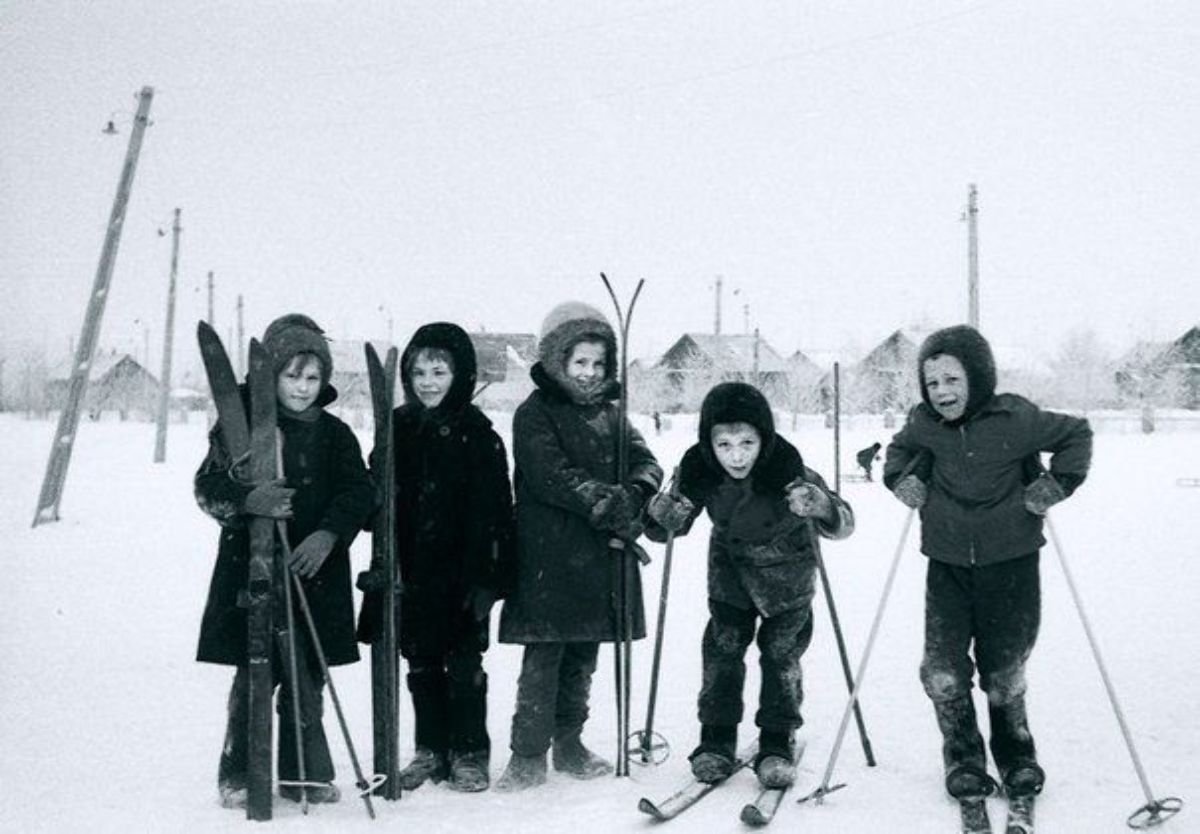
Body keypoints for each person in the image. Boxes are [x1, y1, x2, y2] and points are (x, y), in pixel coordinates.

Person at [883, 325, 1092, 803]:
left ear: (978, 377)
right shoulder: (924, 424)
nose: (942, 393)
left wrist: (1055, 485)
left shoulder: (1015, 417)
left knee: (1003, 670)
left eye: (953, 380)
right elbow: (897, 452)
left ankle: (1017, 757)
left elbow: (1076, 434)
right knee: (943, 671)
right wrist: (901, 480)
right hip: (947, 565)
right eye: (932, 383)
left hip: (1012, 565)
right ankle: (963, 758)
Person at [194, 313, 376, 809]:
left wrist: (327, 534)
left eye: (312, 377)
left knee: (306, 675)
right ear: (270, 377)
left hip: (313, 575)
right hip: (251, 571)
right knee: (253, 675)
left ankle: (303, 773)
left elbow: (360, 491)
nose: (302, 387)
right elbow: (207, 488)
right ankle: (239, 771)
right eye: (291, 375)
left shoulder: (336, 435)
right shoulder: (241, 431)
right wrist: (247, 500)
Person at [644, 381, 854, 789]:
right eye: (724, 444)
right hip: (731, 576)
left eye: (746, 442)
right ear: (709, 443)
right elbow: (666, 528)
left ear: (764, 439)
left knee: (780, 657)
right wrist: (662, 514)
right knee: (722, 651)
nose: (736, 455)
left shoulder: (790, 470)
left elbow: (844, 521)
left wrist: (821, 505)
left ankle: (776, 741)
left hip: (787, 581)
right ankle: (716, 741)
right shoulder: (700, 471)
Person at [495, 300, 663, 792]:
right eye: (579, 363)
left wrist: (635, 491)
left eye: (598, 364)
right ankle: (527, 753)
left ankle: (570, 741)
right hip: (548, 556)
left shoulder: (613, 415)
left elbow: (645, 460)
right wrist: (600, 498)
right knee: (545, 657)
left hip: (598, 557)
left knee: (583, 655)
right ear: (557, 362)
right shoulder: (535, 414)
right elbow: (550, 474)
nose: (589, 374)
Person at [355, 322, 515, 793]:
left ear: (460, 373)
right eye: (419, 371)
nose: (427, 381)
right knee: (420, 661)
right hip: (411, 571)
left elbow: (497, 514)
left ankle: (469, 751)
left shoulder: (480, 435)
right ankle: (430, 750)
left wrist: (490, 578)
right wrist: (376, 485)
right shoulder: (398, 428)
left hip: (463, 574)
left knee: (464, 664)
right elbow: (376, 501)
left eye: (439, 371)